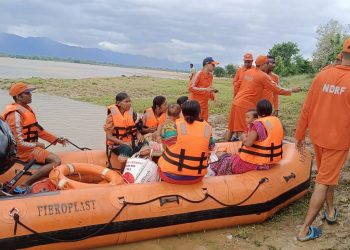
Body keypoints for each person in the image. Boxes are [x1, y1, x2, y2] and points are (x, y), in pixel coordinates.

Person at [294, 38, 350, 242]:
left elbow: (306, 108)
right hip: (338, 141)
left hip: (318, 137)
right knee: (324, 180)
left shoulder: (322, 75)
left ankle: (330, 210)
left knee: (327, 176)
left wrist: (299, 135)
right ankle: (304, 229)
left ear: (342, 54)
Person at [2, 82, 68, 194]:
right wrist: (37, 145)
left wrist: (56, 139)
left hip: (29, 148)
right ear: (18, 96)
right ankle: (24, 184)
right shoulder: (15, 115)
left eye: (30, 93)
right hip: (22, 152)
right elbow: (17, 143)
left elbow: (38, 130)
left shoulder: (26, 109)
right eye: (27, 93)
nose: (30, 95)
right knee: (56, 160)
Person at [225, 55, 301, 141]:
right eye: (267, 64)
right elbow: (277, 90)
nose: (269, 65)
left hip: (236, 102)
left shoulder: (248, 72)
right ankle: (242, 151)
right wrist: (292, 90)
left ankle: (224, 148)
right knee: (244, 131)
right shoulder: (263, 76)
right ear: (263, 64)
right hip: (245, 105)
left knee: (231, 128)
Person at [211, 99, 283, 176]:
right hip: (271, 161)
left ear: (257, 111)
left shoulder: (258, 125)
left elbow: (248, 143)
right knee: (226, 156)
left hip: (255, 163)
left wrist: (242, 137)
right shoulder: (275, 121)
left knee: (223, 159)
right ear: (270, 111)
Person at [158, 100, 215, 184]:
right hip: (196, 177)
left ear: (182, 113)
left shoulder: (173, 127)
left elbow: (164, 139)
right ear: (199, 113)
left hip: (171, 175)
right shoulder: (207, 129)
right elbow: (211, 147)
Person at [104, 92, 146, 163]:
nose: (129, 103)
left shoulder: (133, 115)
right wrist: (123, 143)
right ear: (118, 103)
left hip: (130, 142)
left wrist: (139, 135)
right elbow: (108, 136)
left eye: (130, 101)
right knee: (126, 149)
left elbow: (135, 130)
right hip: (116, 145)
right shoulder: (111, 117)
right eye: (126, 101)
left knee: (145, 143)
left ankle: (142, 165)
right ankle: (122, 172)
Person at [226, 53, 254, 141]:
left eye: (249, 62)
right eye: (246, 61)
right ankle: (228, 144)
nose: (247, 63)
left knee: (244, 124)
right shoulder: (240, 70)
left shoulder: (255, 71)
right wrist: (240, 82)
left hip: (247, 101)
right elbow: (235, 83)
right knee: (233, 125)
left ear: (252, 61)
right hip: (238, 100)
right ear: (243, 61)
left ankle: (240, 141)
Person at [189, 57, 219, 121]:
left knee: (204, 124)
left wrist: (214, 97)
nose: (214, 66)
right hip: (196, 106)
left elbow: (209, 88)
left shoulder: (210, 76)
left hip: (204, 106)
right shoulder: (198, 74)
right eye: (213, 65)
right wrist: (205, 89)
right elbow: (191, 88)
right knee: (195, 124)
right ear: (207, 64)